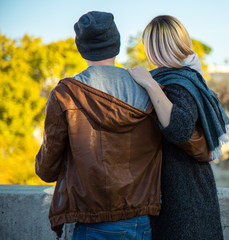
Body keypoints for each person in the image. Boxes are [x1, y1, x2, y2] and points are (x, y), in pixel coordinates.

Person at [35, 11, 162, 240]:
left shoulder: (66, 94)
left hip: (92, 221)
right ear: (117, 44)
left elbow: (47, 169)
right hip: (141, 222)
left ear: (81, 48)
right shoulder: (149, 89)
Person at [127, 15, 229, 240]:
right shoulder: (187, 77)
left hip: (183, 197)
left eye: (148, 43)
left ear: (155, 47)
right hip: (188, 190)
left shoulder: (179, 82)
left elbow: (180, 129)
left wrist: (149, 83)